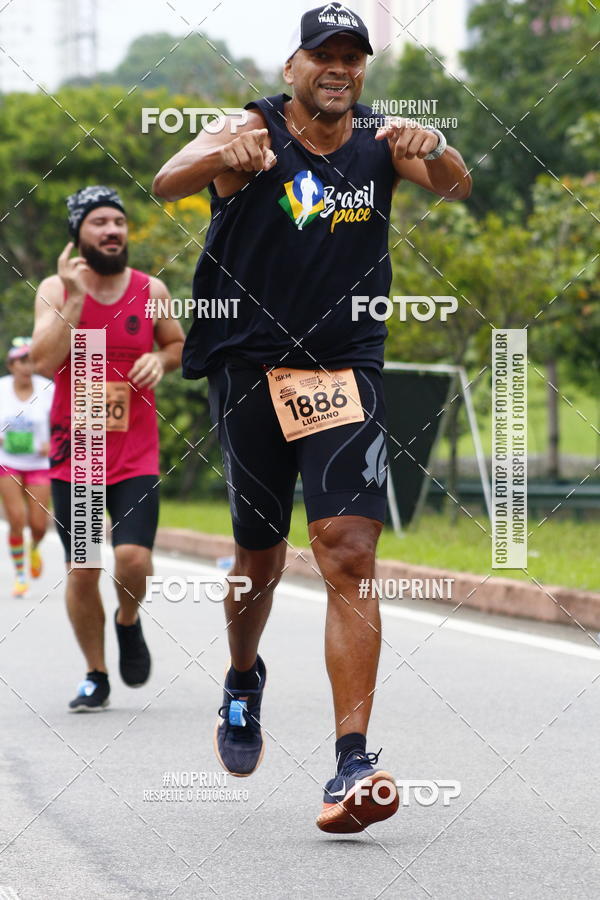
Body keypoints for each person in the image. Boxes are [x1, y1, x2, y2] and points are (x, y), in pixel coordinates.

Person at [153, 3, 471, 832]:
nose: (340, 68)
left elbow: (457, 181)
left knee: (349, 549)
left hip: (342, 371)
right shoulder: (250, 127)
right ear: (292, 67)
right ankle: (242, 676)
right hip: (252, 370)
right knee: (257, 559)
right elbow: (166, 181)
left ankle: (351, 763)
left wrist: (434, 146)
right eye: (323, 55)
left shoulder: (380, 139)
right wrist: (224, 151)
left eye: (352, 56)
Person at [31, 186, 184, 712]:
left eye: (118, 222)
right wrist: (74, 298)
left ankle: (128, 618)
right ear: (78, 234)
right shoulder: (54, 288)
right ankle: (95, 674)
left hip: (135, 452)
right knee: (85, 567)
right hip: (77, 455)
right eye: (99, 222)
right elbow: (41, 361)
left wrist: (161, 362)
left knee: (134, 559)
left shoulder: (150, 289)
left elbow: (177, 344)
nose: (112, 230)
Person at [0, 337, 54, 597]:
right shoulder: (1, 389)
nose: (25, 366)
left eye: (30, 360)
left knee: (39, 524)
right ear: (11, 365)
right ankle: (20, 575)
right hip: (8, 462)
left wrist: (52, 443)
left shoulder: (47, 389)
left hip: (39, 463)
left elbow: (64, 422)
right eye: (21, 361)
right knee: (16, 519)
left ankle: (34, 548)